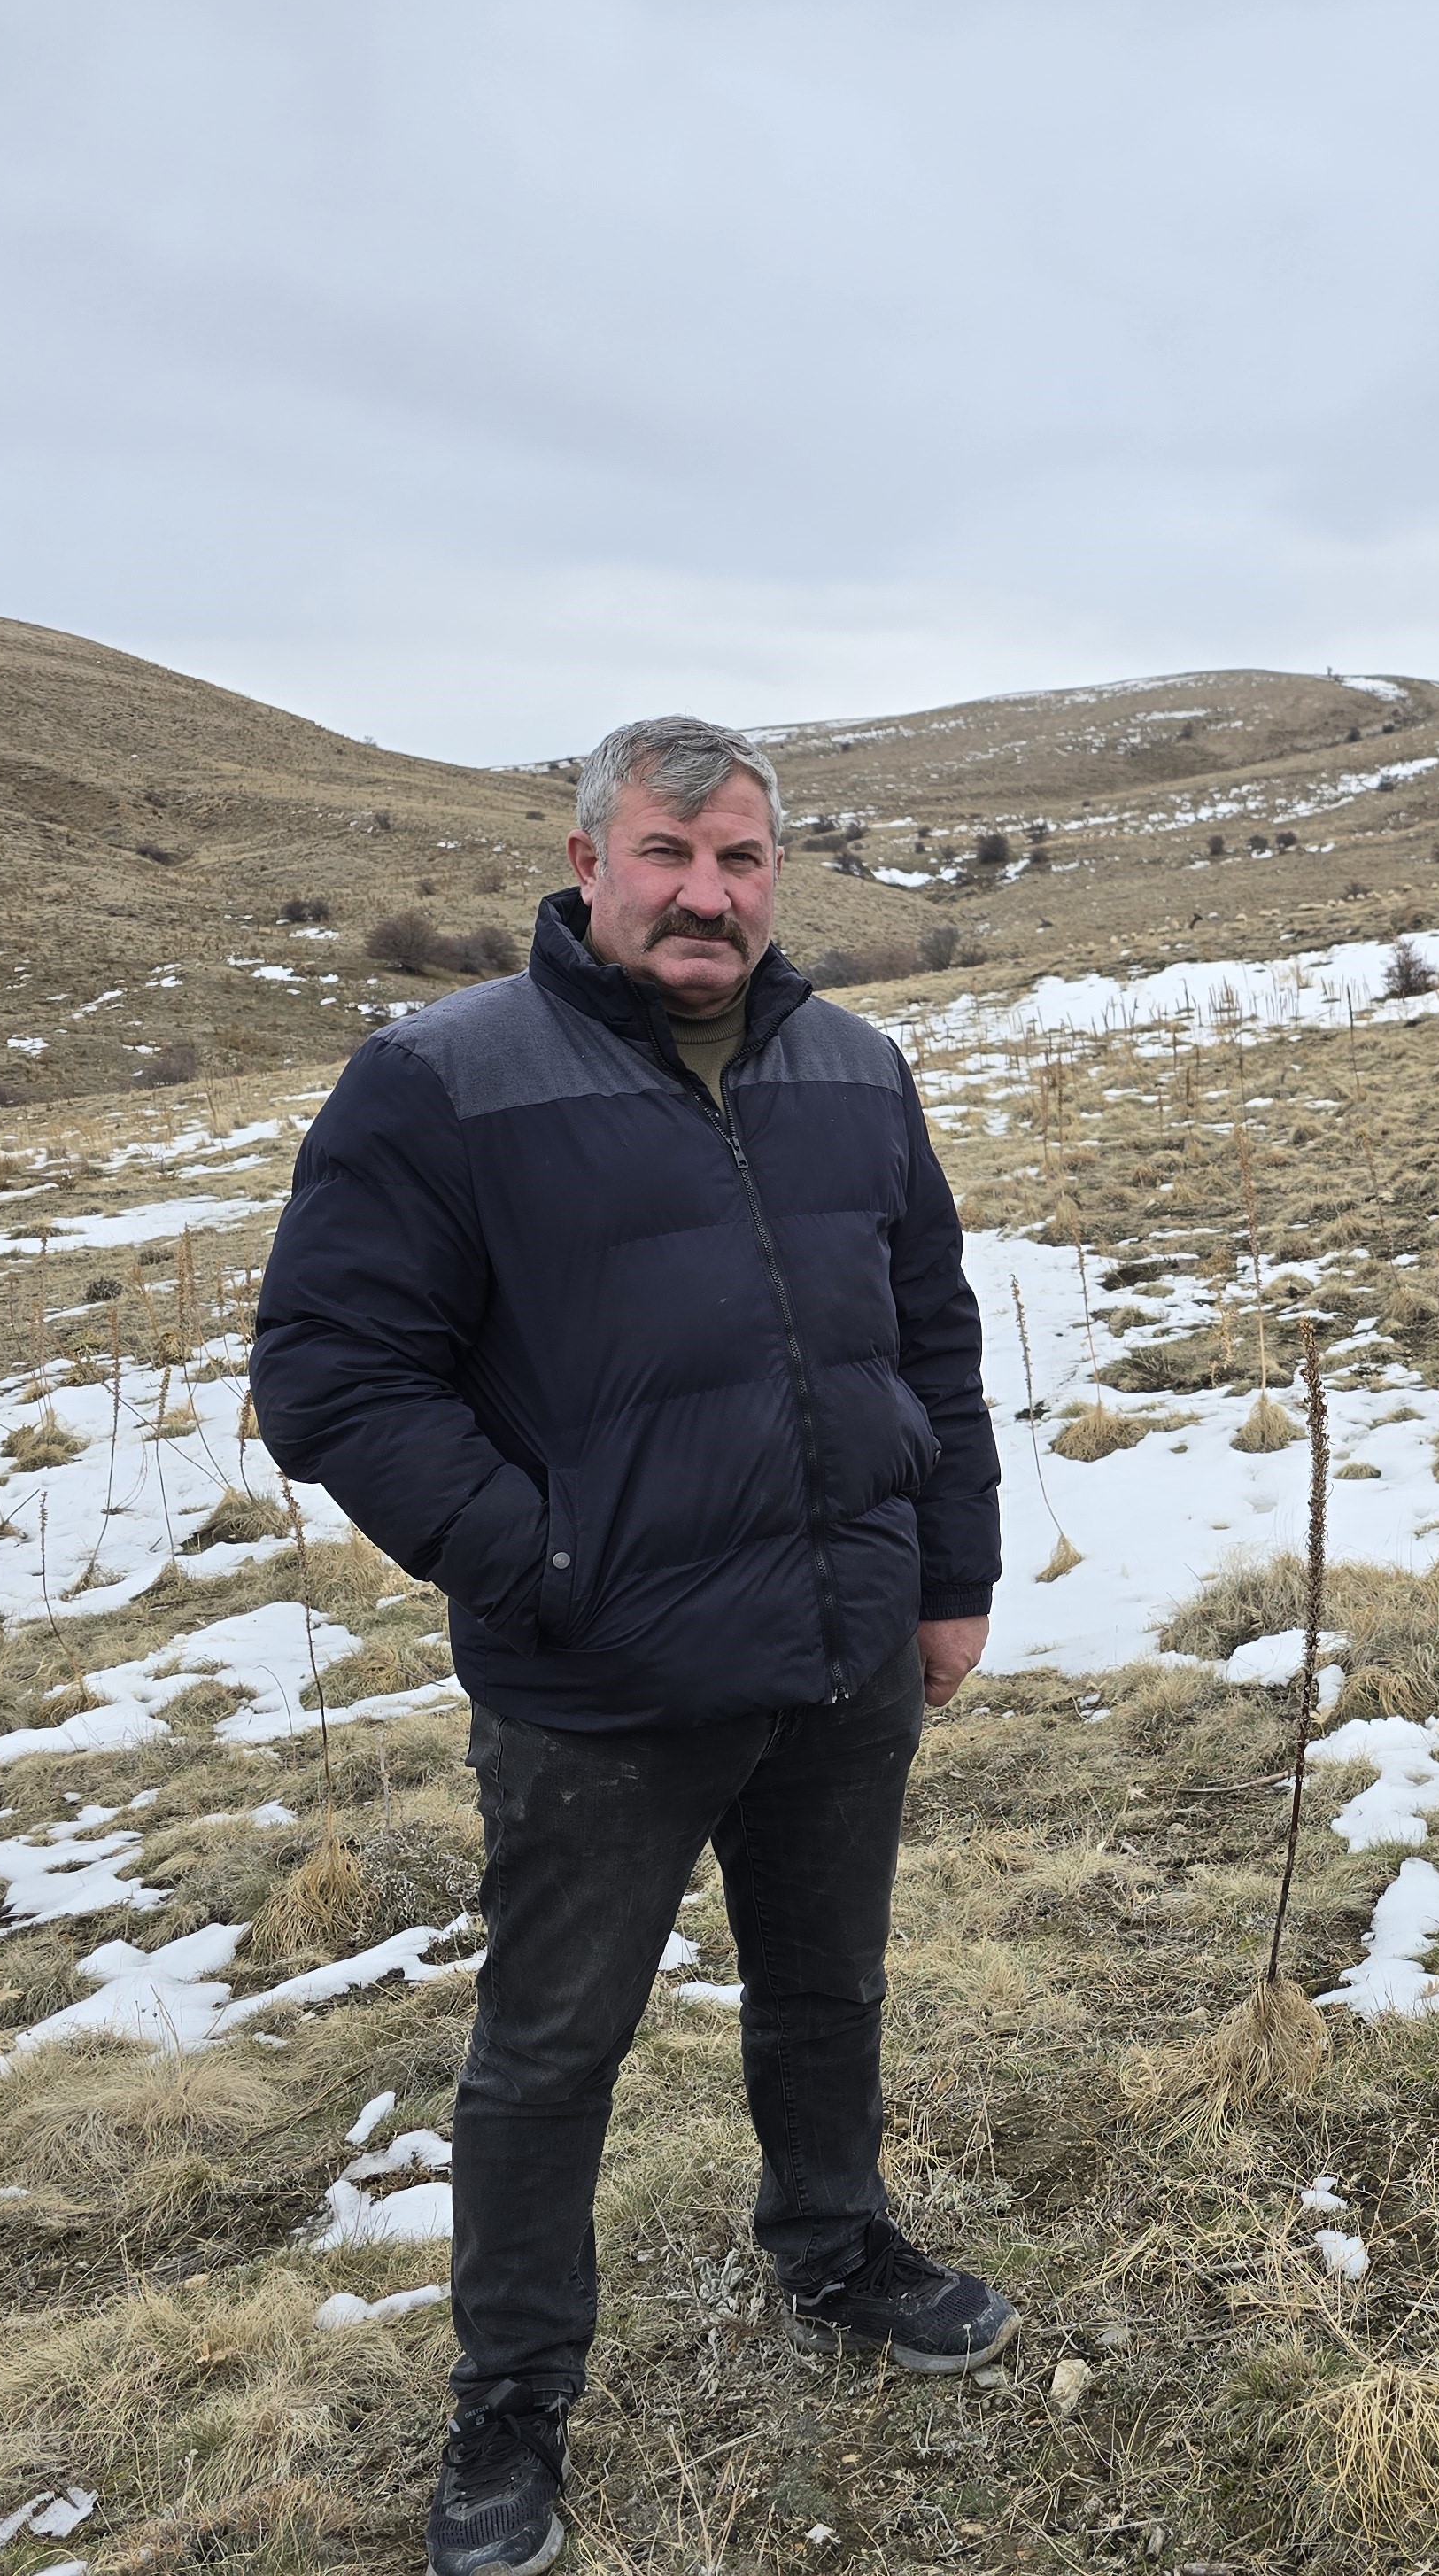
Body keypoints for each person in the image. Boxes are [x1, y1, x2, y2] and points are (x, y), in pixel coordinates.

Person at [252, 715, 1011, 2576]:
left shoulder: (853, 1068)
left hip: (841, 1647)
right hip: (599, 1685)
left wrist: (946, 1577)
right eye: (669, 854)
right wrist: (545, 1562)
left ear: (776, 878)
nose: (706, 894)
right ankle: (511, 2407)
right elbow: (333, 1373)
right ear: (590, 861)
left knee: (827, 1992)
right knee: (549, 2051)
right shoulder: (440, 1080)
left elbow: (928, 1341)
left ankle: (833, 2254)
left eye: (740, 860)